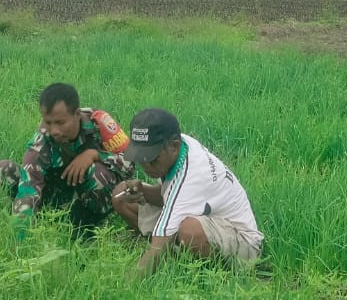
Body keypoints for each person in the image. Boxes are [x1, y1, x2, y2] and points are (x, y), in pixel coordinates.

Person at [111, 108, 264, 277]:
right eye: (141, 158)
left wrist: (125, 286)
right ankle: (176, 254)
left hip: (242, 241)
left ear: (174, 147)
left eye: (152, 159)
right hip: (206, 220)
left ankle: (217, 275)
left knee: (190, 230)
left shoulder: (193, 175)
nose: (146, 166)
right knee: (123, 196)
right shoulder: (181, 145)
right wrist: (143, 192)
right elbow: (171, 197)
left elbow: (162, 238)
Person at [0, 83, 134, 229]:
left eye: (60, 123)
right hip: (55, 194)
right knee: (2, 169)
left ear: (77, 114)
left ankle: (86, 229)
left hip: (87, 196)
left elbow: (131, 162)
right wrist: (19, 233)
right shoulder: (40, 141)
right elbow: (29, 188)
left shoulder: (99, 123)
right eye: (48, 122)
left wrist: (95, 155)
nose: (54, 131)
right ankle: (9, 218)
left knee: (98, 173)